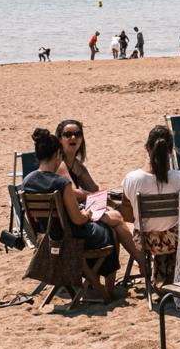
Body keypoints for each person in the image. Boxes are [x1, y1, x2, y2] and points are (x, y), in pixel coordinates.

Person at [22, 127, 121, 298]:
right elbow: (79, 220)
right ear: (57, 155)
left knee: (104, 226)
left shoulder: (28, 181)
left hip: (47, 238)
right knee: (110, 231)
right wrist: (88, 213)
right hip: (71, 238)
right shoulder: (60, 183)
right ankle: (107, 291)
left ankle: (92, 283)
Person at [54, 118, 142, 278]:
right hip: (70, 222)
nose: (73, 138)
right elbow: (73, 192)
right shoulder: (60, 164)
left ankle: (138, 264)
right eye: (68, 134)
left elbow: (93, 187)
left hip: (74, 217)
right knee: (116, 219)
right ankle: (142, 264)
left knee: (117, 216)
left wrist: (111, 199)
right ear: (60, 139)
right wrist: (97, 197)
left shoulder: (76, 165)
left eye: (77, 134)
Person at [121, 125, 180, 291]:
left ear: (147, 147)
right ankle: (171, 274)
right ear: (170, 150)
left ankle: (160, 274)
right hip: (175, 241)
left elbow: (126, 213)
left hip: (146, 242)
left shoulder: (132, 178)